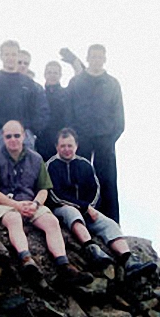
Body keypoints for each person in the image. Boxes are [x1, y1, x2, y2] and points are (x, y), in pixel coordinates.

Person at [0, 120, 93, 286]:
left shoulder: (36, 158)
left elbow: (43, 189)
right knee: (14, 219)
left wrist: (36, 204)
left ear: (24, 136)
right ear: (3, 137)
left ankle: (64, 266)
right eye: (9, 136)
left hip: (30, 203)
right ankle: (26, 260)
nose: (13, 139)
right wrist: (16, 206)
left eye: (17, 135)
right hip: (2, 204)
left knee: (51, 221)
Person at [47, 128, 156, 278]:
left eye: (70, 146)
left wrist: (89, 207)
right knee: (70, 211)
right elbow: (56, 195)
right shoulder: (51, 166)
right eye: (63, 146)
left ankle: (128, 259)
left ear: (76, 146)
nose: (66, 149)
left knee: (108, 223)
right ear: (56, 146)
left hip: (87, 209)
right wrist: (83, 207)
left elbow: (95, 190)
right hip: (63, 209)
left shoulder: (84, 165)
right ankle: (91, 248)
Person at [68, 44, 124, 223]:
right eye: (93, 56)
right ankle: (83, 218)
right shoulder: (76, 82)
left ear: (104, 59)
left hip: (105, 139)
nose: (96, 60)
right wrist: (73, 137)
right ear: (88, 58)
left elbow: (119, 115)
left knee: (107, 180)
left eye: (100, 57)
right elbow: (69, 111)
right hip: (81, 138)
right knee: (82, 179)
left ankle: (111, 221)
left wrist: (111, 137)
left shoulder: (112, 83)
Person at [0, 40, 48, 153]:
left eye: (13, 54)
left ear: (18, 55)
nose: (10, 58)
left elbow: (38, 110)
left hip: (24, 136)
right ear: (1, 56)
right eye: (7, 54)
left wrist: (32, 131)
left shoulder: (29, 84)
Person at [36, 61, 71, 161]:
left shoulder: (66, 94)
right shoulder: (38, 93)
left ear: (60, 75)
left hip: (61, 140)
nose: (52, 75)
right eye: (49, 72)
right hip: (42, 140)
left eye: (55, 73)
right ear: (44, 74)